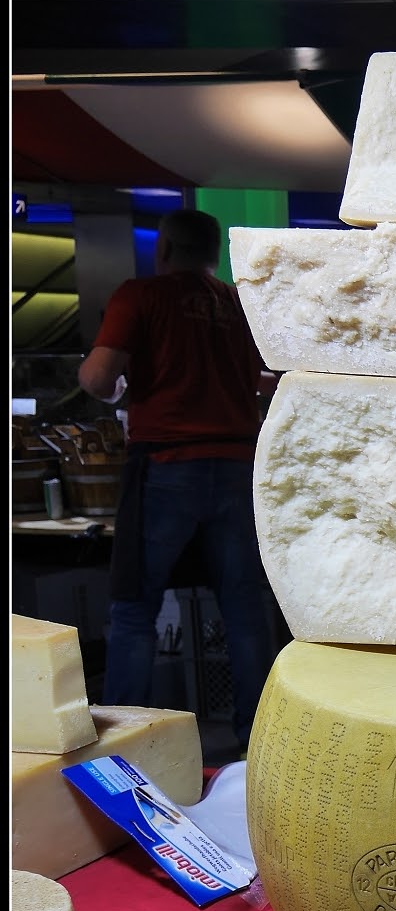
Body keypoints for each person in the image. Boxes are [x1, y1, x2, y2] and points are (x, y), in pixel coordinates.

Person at [78, 207, 280, 760]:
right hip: (238, 466)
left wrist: (115, 388)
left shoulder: (140, 296)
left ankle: (124, 749)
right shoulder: (238, 302)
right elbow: (266, 379)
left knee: (135, 608)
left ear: (163, 248)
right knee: (245, 607)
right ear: (213, 254)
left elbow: (97, 376)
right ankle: (259, 744)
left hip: (165, 464)